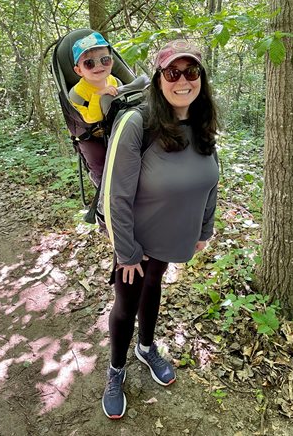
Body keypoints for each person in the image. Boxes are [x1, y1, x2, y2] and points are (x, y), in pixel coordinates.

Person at [98, 39, 219, 419]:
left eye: (191, 71)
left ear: (200, 78)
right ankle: (116, 370)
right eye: (173, 72)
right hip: (135, 239)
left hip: (172, 235)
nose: (183, 80)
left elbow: (212, 179)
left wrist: (205, 227)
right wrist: (127, 251)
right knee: (127, 301)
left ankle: (146, 348)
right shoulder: (137, 124)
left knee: (155, 287)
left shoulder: (201, 123)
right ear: (158, 79)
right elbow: (115, 194)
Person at [69, 32, 120, 185]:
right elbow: (91, 118)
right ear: (79, 70)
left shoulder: (113, 81)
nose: (98, 66)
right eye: (89, 63)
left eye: (104, 60)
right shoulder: (78, 93)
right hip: (90, 133)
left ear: (111, 62)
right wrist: (99, 95)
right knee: (99, 163)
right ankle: (100, 185)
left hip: (112, 126)